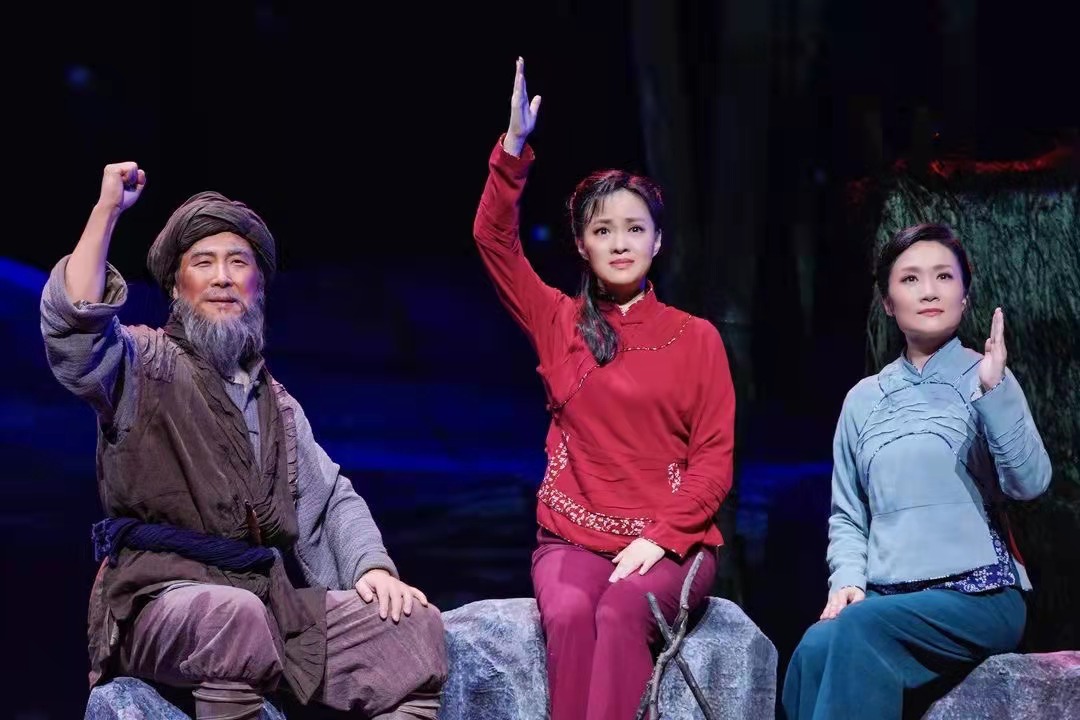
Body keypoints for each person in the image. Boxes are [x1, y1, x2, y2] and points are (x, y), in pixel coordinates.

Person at [41, 164, 448, 719]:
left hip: (265, 600)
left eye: (238, 263)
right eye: (203, 263)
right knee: (233, 617)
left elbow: (328, 501)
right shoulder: (141, 364)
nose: (222, 278)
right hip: (159, 598)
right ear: (176, 287)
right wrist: (108, 209)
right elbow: (77, 328)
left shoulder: (277, 404)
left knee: (412, 631)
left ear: (259, 285)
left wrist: (371, 570)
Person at [471, 58, 737, 720]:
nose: (620, 243)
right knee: (568, 613)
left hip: (671, 541)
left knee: (620, 612)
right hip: (572, 538)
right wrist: (512, 150)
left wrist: (663, 537)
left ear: (658, 241)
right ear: (582, 246)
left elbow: (713, 461)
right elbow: (493, 240)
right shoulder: (558, 321)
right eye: (602, 230)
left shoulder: (696, 337)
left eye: (634, 229)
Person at [781, 223, 1053, 720]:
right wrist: (847, 579)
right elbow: (848, 515)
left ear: (964, 296)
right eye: (910, 279)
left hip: (978, 595)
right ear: (888, 303)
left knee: (861, 630)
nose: (929, 291)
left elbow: (1030, 483)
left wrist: (995, 392)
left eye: (943, 277)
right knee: (814, 649)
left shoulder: (987, 375)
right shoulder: (863, 400)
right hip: (888, 597)